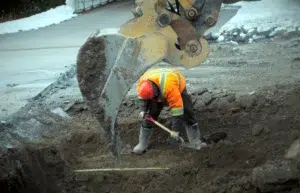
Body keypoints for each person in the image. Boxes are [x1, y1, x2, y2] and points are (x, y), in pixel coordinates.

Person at [132, 68, 207, 154]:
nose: (156, 100)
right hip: (157, 86)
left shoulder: (170, 88)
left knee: (187, 111)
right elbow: (143, 99)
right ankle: (142, 144)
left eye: (155, 98)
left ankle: (195, 141)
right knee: (150, 114)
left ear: (157, 92)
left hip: (176, 86)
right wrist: (143, 110)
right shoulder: (142, 85)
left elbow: (177, 112)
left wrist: (175, 131)